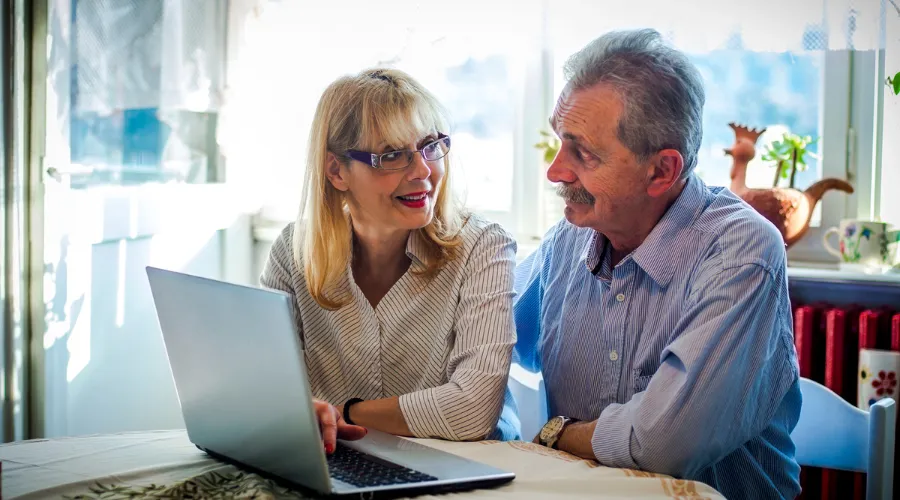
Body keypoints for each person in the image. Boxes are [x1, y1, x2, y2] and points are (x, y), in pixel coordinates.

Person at [514, 29, 801, 499]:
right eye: (558, 143)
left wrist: (555, 433)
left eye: (582, 153)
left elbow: (664, 445)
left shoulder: (741, 251)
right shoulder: (570, 237)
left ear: (663, 171)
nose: (556, 171)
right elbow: (484, 338)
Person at [260, 68, 520, 455]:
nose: (422, 172)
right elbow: (265, 389)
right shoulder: (293, 252)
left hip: (466, 462)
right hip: (343, 460)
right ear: (336, 171)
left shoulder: (482, 247)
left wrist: (342, 413)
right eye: (392, 155)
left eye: (430, 146)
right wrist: (289, 409)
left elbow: (472, 410)